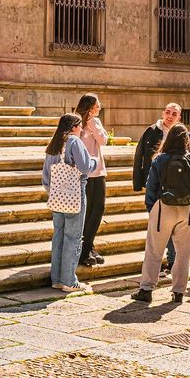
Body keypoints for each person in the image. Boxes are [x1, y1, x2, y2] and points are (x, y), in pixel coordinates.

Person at [131, 123, 190, 303]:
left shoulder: (160, 159)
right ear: (186, 140)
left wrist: (153, 209)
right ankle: (179, 291)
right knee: (183, 253)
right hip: (187, 209)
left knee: (154, 251)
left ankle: (147, 289)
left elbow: (151, 187)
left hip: (163, 208)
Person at [42, 113, 97, 293]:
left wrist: (54, 192)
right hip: (74, 194)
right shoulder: (74, 142)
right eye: (79, 126)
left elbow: (46, 177)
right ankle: (69, 280)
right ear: (74, 126)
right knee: (73, 237)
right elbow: (85, 167)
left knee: (59, 235)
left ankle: (57, 278)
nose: (81, 129)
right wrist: (94, 161)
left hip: (56, 196)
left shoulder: (54, 144)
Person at [75, 93, 109, 266]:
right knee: (87, 212)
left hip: (99, 171)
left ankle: (89, 246)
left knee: (99, 209)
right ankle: (83, 250)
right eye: (97, 105)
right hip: (84, 173)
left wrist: (94, 124)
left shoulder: (96, 122)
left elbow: (104, 141)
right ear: (89, 107)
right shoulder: (77, 123)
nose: (99, 107)